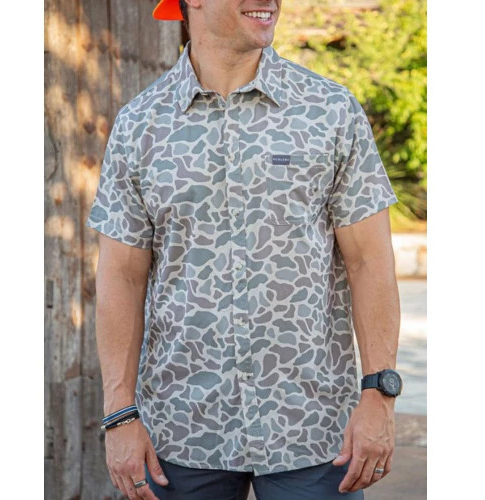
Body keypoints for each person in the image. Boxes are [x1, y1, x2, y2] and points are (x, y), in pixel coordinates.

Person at [86, 0, 403, 498]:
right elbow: (121, 276)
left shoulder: (330, 110)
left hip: (313, 429)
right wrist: (119, 414)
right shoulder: (139, 125)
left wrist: (379, 394)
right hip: (181, 432)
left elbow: (370, 262)